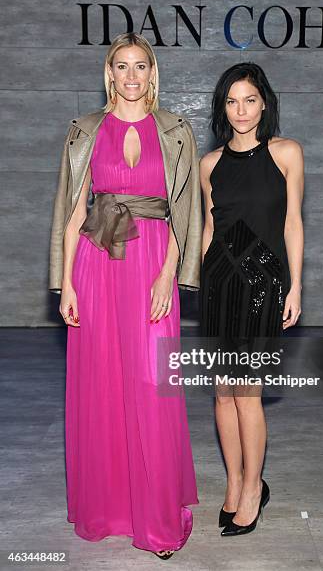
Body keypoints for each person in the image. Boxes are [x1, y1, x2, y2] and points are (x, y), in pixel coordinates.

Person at [48, 32, 202, 560]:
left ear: (151, 73)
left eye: (141, 66)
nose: (131, 76)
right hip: (97, 261)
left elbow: (183, 211)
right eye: (121, 66)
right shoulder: (85, 130)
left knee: (151, 383)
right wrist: (66, 281)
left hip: (152, 262)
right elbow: (73, 211)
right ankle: (110, 509)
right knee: (101, 383)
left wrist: (168, 273)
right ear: (109, 73)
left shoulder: (176, 130)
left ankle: (156, 519)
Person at [199, 62, 304, 536]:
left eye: (250, 99)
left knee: (248, 395)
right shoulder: (210, 164)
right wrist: (202, 287)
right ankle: (235, 479)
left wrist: (295, 286)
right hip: (219, 286)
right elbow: (208, 229)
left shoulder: (285, 153)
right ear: (223, 107)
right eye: (231, 100)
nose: (241, 110)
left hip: (263, 287)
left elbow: (292, 225)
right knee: (223, 394)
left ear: (264, 103)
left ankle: (253, 487)